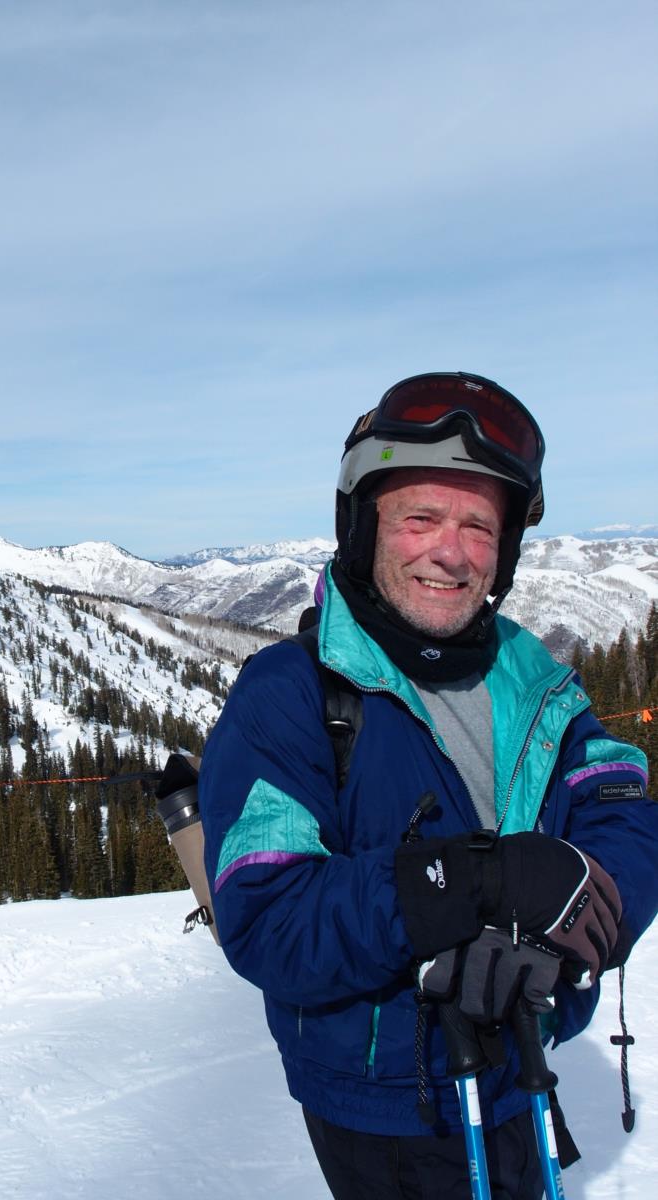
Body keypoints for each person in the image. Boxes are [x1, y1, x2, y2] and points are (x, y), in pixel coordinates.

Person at [198, 371, 658, 1199]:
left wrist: (574, 909)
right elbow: (270, 915)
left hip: (520, 1066)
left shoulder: (532, 675)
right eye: (420, 518)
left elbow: (621, 801)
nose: (451, 551)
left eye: (479, 525)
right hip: (390, 1111)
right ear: (364, 526)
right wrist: (476, 880)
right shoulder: (292, 694)